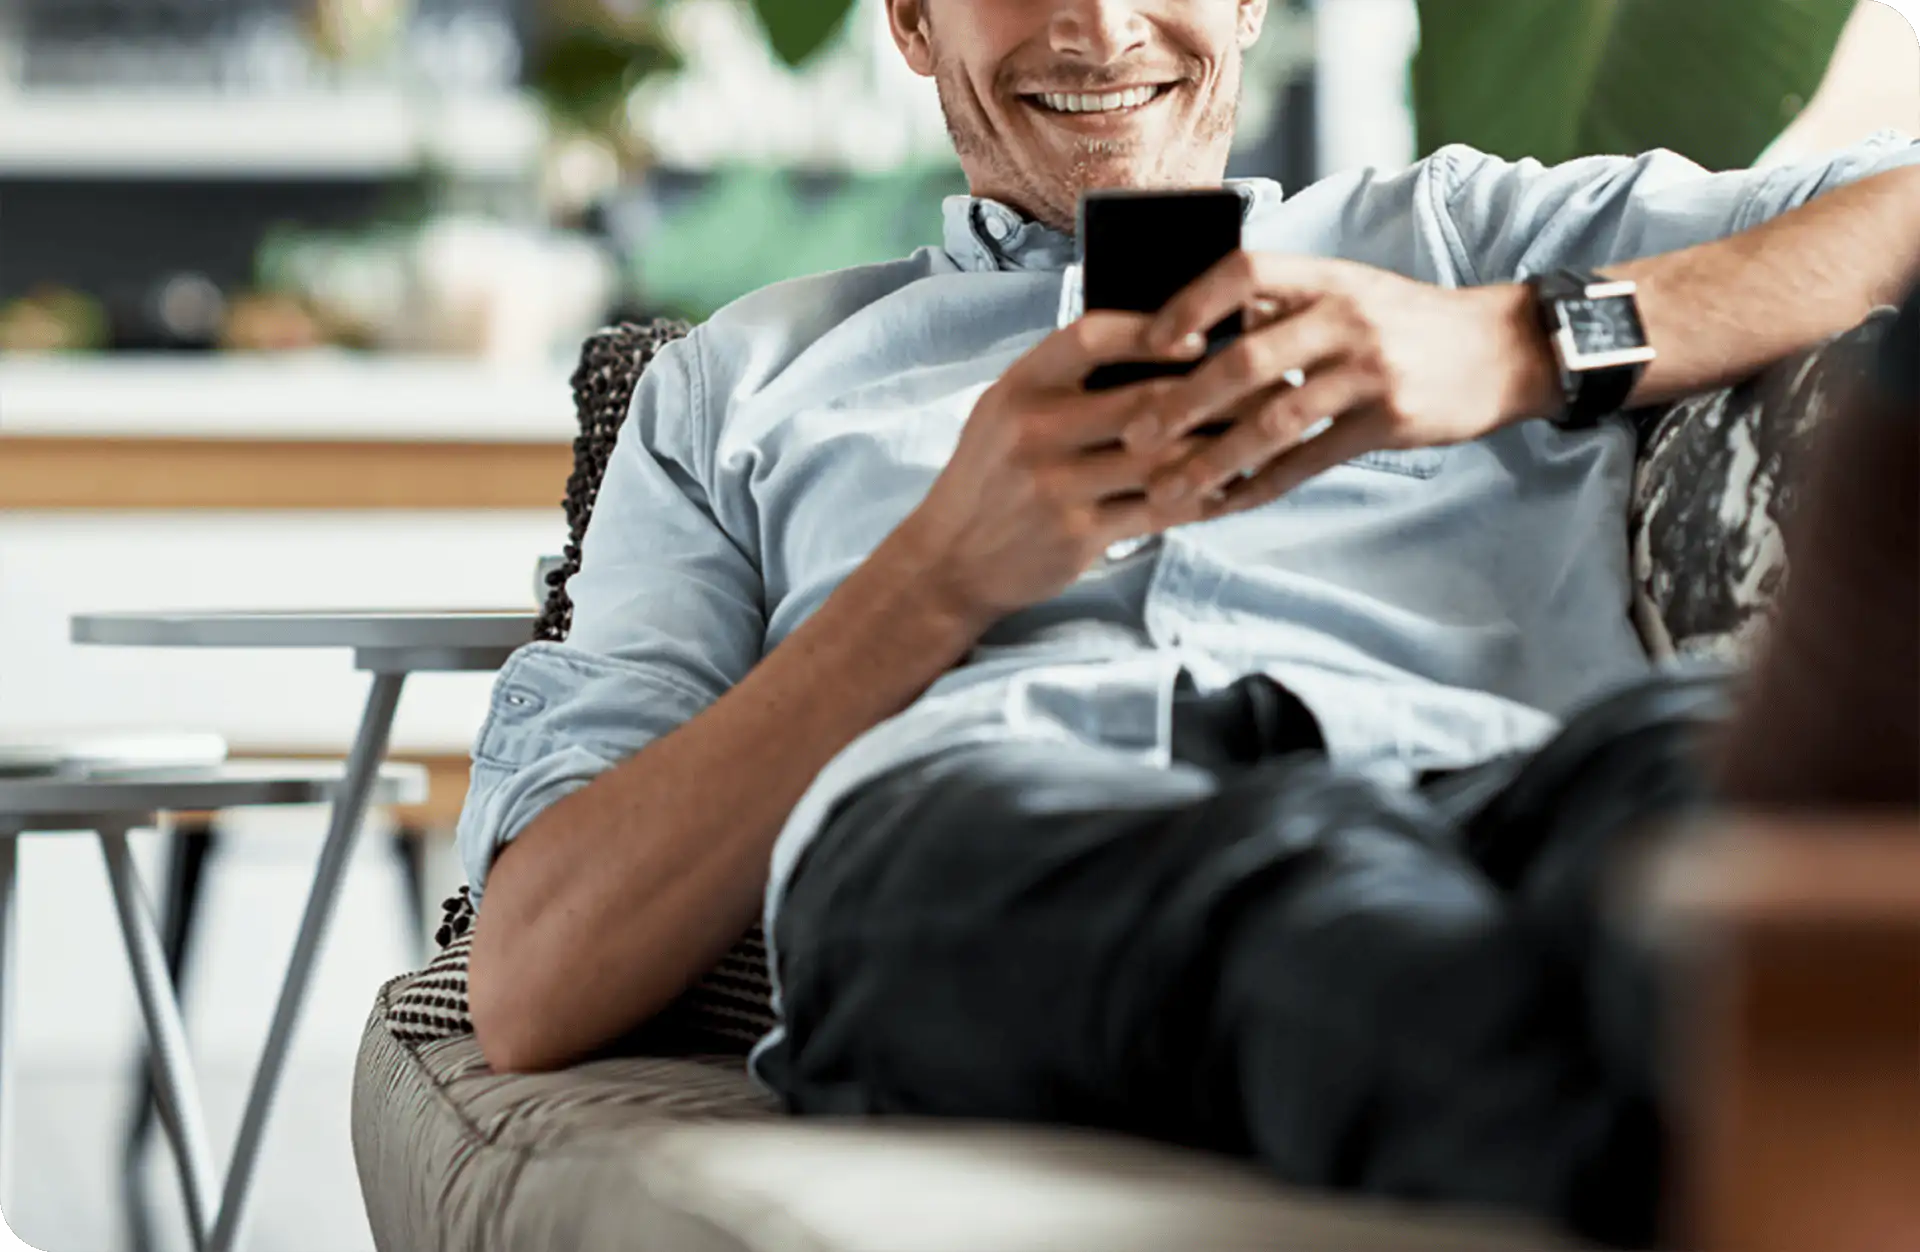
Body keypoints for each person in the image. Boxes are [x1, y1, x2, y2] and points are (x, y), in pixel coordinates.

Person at [457, 1, 1920, 1244]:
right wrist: (940, 574)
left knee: (1699, 778)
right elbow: (533, 979)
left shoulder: (1463, 235)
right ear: (909, 18)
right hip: (988, 824)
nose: (1097, 23)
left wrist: (1518, 340)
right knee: (1320, 933)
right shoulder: (736, 385)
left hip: (1503, 778)